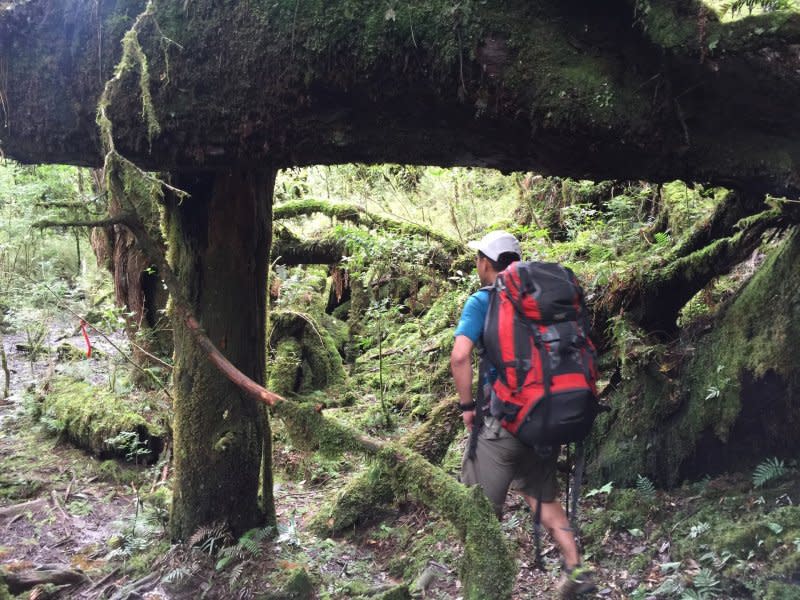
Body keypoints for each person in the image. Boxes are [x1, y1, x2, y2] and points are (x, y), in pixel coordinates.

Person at [450, 230, 595, 599]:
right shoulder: (542, 297)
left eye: (478, 260)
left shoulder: (483, 301)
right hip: (545, 416)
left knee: (477, 506)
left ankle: (483, 586)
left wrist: (468, 409)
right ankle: (576, 568)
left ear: (486, 263)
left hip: (504, 421)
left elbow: (460, 356)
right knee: (542, 495)